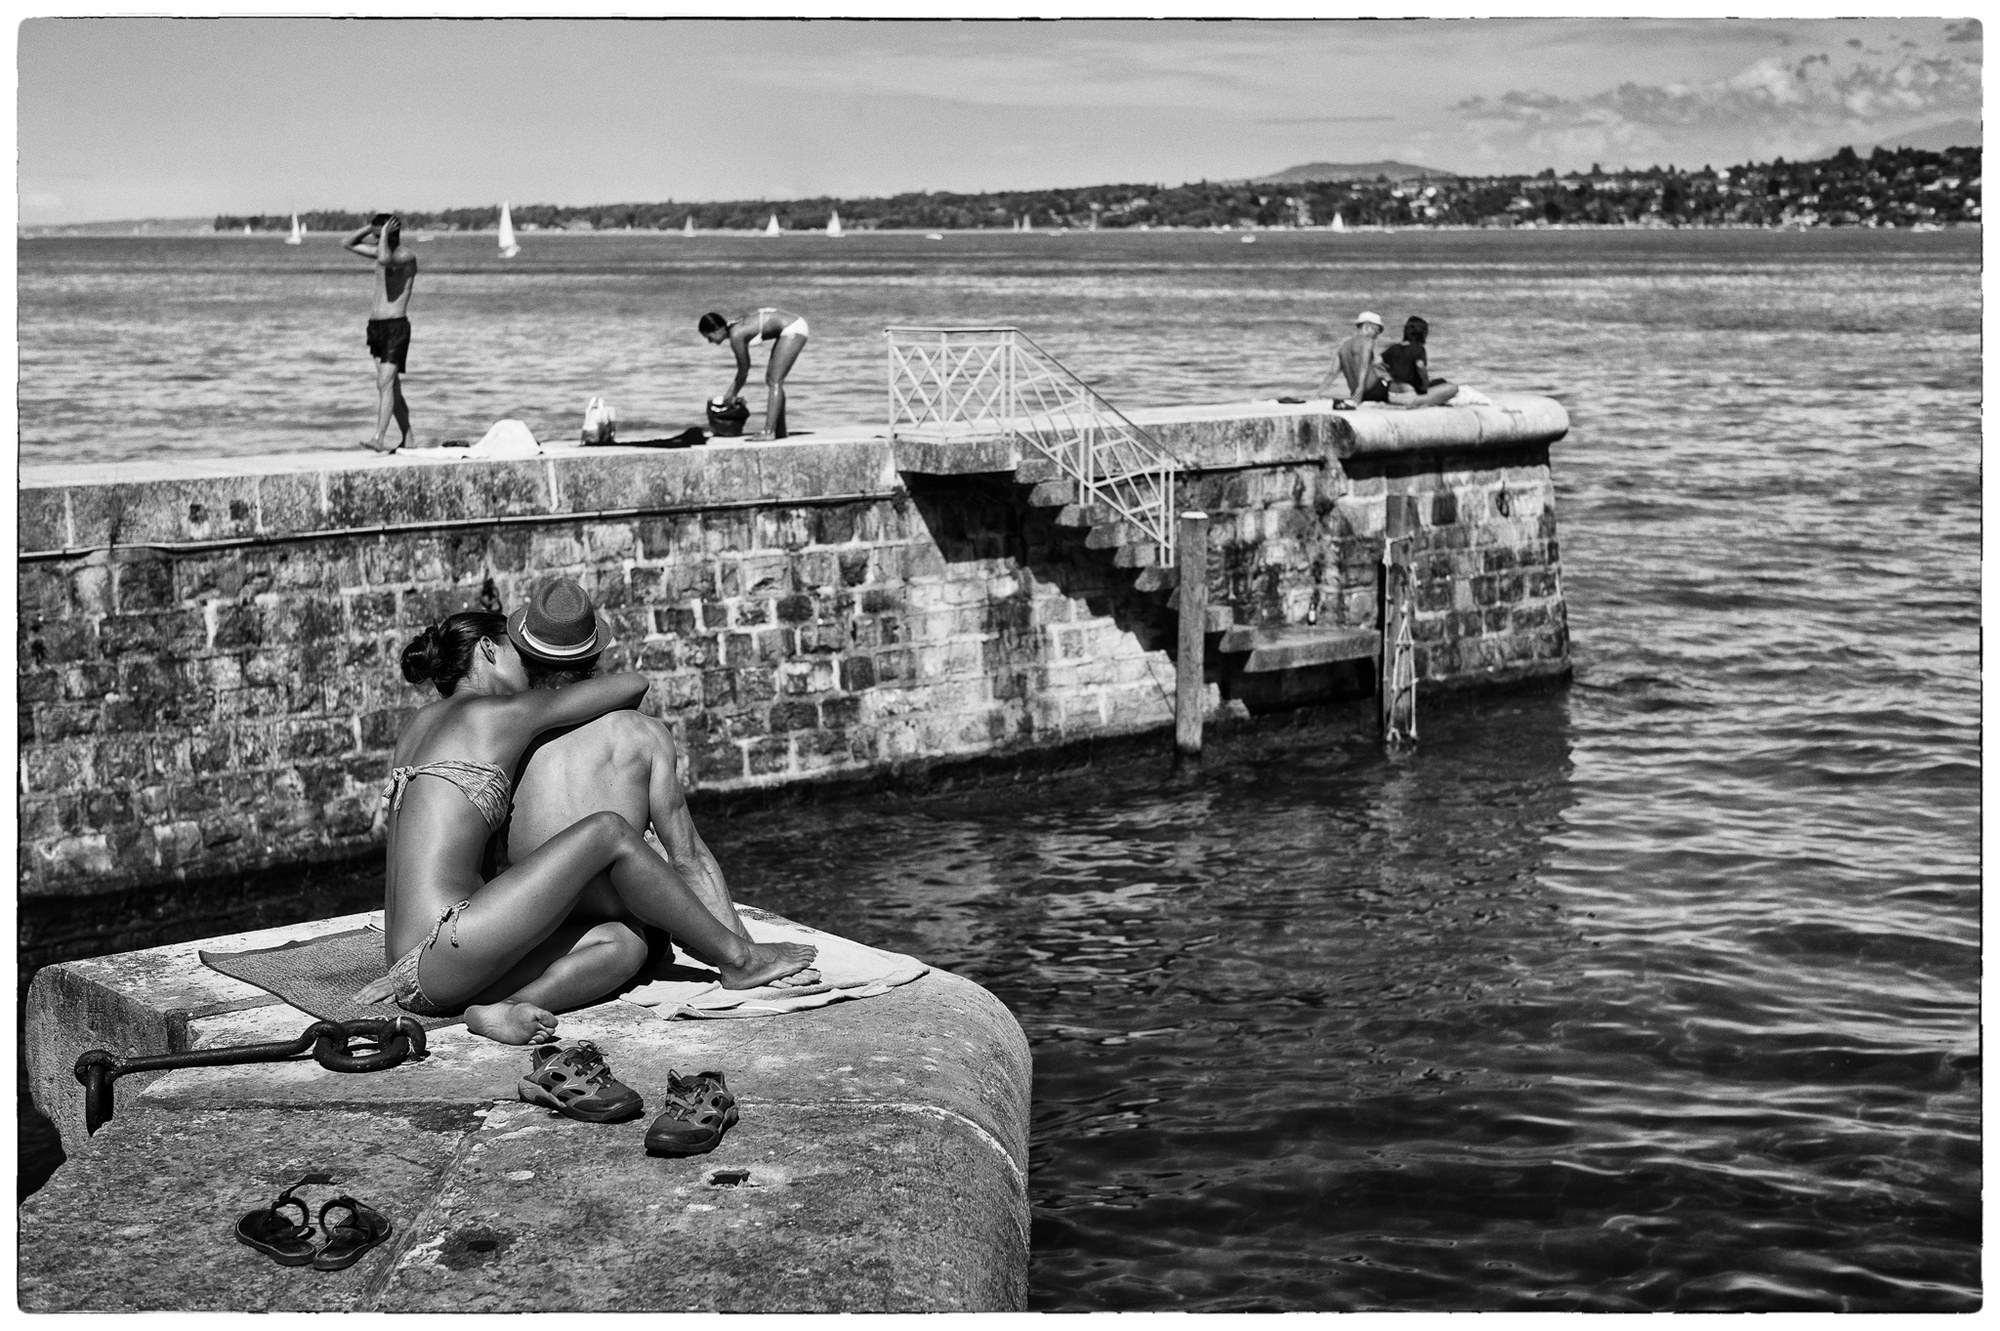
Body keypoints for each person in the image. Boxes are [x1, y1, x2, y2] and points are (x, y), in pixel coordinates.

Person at [352, 578, 816, 1044]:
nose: (522, 665)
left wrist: (414, 970)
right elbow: (633, 684)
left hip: (416, 959)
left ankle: (506, 1009)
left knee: (624, 943)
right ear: (489, 650)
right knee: (608, 831)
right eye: (512, 650)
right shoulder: (501, 714)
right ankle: (739, 959)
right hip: (448, 945)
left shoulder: (418, 725)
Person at [343, 213, 418, 453]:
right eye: (375, 235)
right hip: (376, 328)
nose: (376, 240)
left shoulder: (406, 256)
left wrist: (383, 233)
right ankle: (409, 439)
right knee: (391, 388)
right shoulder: (379, 250)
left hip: (396, 327)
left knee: (384, 383)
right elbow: (348, 243)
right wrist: (371, 227)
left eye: (380, 235)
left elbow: (385, 259)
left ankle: (379, 438)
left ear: (391, 234)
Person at [699, 307, 808, 439]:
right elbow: (744, 369)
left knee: (774, 380)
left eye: (709, 337)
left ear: (718, 329)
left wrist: (732, 393)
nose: (710, 341)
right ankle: (780, 430)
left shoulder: (736, 335)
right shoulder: (734, 328)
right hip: (792, 326)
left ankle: (768, 432)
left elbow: (744, 369)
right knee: (772, 379)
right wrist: (732, 392)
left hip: (793, 327)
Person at [1381, 315, 1460, 408]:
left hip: (1393, 391)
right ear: (1423, 333)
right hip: (1410, 394)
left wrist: (1390, 373)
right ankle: (1419, 402)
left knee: (1439, 381)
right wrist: (1425, 384)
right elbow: (1420, 365)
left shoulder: (1393, 348)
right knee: (1452, 388)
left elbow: (1377, 363)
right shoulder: (1418, 349)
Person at [1314, 310, 1389, 406]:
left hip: (1357, 395)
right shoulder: (1367, 341)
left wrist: (1317, 394)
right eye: (1377, 330)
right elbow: (1364, 365)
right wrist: (1360, 388)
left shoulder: (1343, 347)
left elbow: (1332, 373)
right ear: (1366, 327)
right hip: (1375, 390)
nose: (1377, 335)